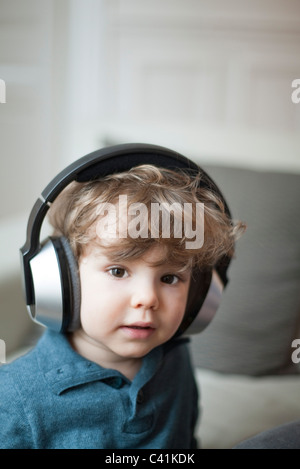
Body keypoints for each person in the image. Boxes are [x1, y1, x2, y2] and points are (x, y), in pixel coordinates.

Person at [0, 145, 243, 449]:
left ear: (200, 294)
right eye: (118, 271)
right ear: (62, 279)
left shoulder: (175, 358)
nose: (147, 299)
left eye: (169, 278)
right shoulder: (14, 398)